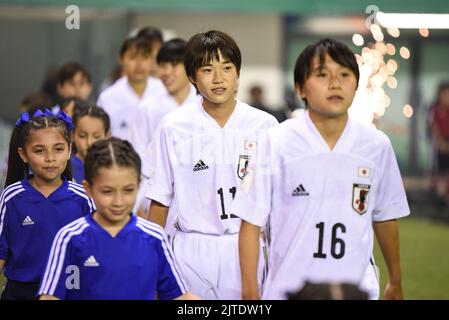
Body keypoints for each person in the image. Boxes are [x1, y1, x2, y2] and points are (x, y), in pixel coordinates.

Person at [231, 38, 410, 300]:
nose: (335, 83)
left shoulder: (377, 145)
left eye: (344, 74)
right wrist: (250, 294)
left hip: (356, 290)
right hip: (288, 289)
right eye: (322, 74)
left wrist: (395, 279)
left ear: (356, 85)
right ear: (300, 87)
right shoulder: (275, 140)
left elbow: (384, 216)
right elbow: (250, 222)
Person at [146, 30, 278, 300]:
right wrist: (151, 266)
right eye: (208, 69)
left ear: (238, 73)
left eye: (227, 68)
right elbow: (159, 202)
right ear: (192, 77)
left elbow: (277, 203)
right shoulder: (173, 127)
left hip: (244, 247)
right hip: (189, 250)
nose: (219, 78)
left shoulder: (266, 126)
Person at [38, 138, 194, 300]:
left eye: (128, 190)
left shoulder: (154, 238)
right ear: (88, 189)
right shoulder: (70, 238)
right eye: (107, 191)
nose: (118, 202)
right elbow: (51, 296)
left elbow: (178, 296)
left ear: (139, 186)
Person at [0, 108, 94, 300]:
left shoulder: (82, 198)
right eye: (39, 150)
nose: (50, 158)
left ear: (69, 150)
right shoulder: (11, 197)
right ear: (23, 154)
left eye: (58, 149)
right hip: (20, 293)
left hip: (69, 291)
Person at [130, 38, 197, 220]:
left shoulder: (203, 106)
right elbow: (138, 154)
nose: (167, 72)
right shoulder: (147, 108)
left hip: (196, 191)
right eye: (162, 66)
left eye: (175, 65)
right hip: (157, 192)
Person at [97, 34, 165, 141]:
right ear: (121, 59)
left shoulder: (164, 91)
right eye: (132, 57)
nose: (139, 64)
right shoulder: (107, 98)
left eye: (145, 57)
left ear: (152, 61)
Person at [71, 105, 111, 184]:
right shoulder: (65, 168)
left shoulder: (113, 167)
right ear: (72, 136)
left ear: (107, 137)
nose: (89, 142)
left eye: (96, 137)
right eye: (82, 136)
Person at [428, 82, 449, 203]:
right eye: (444, 94)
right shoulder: (435, 109)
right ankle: (439, 196)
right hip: (440, 143)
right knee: (440, 170)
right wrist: (441, 142)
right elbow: (433, 126)